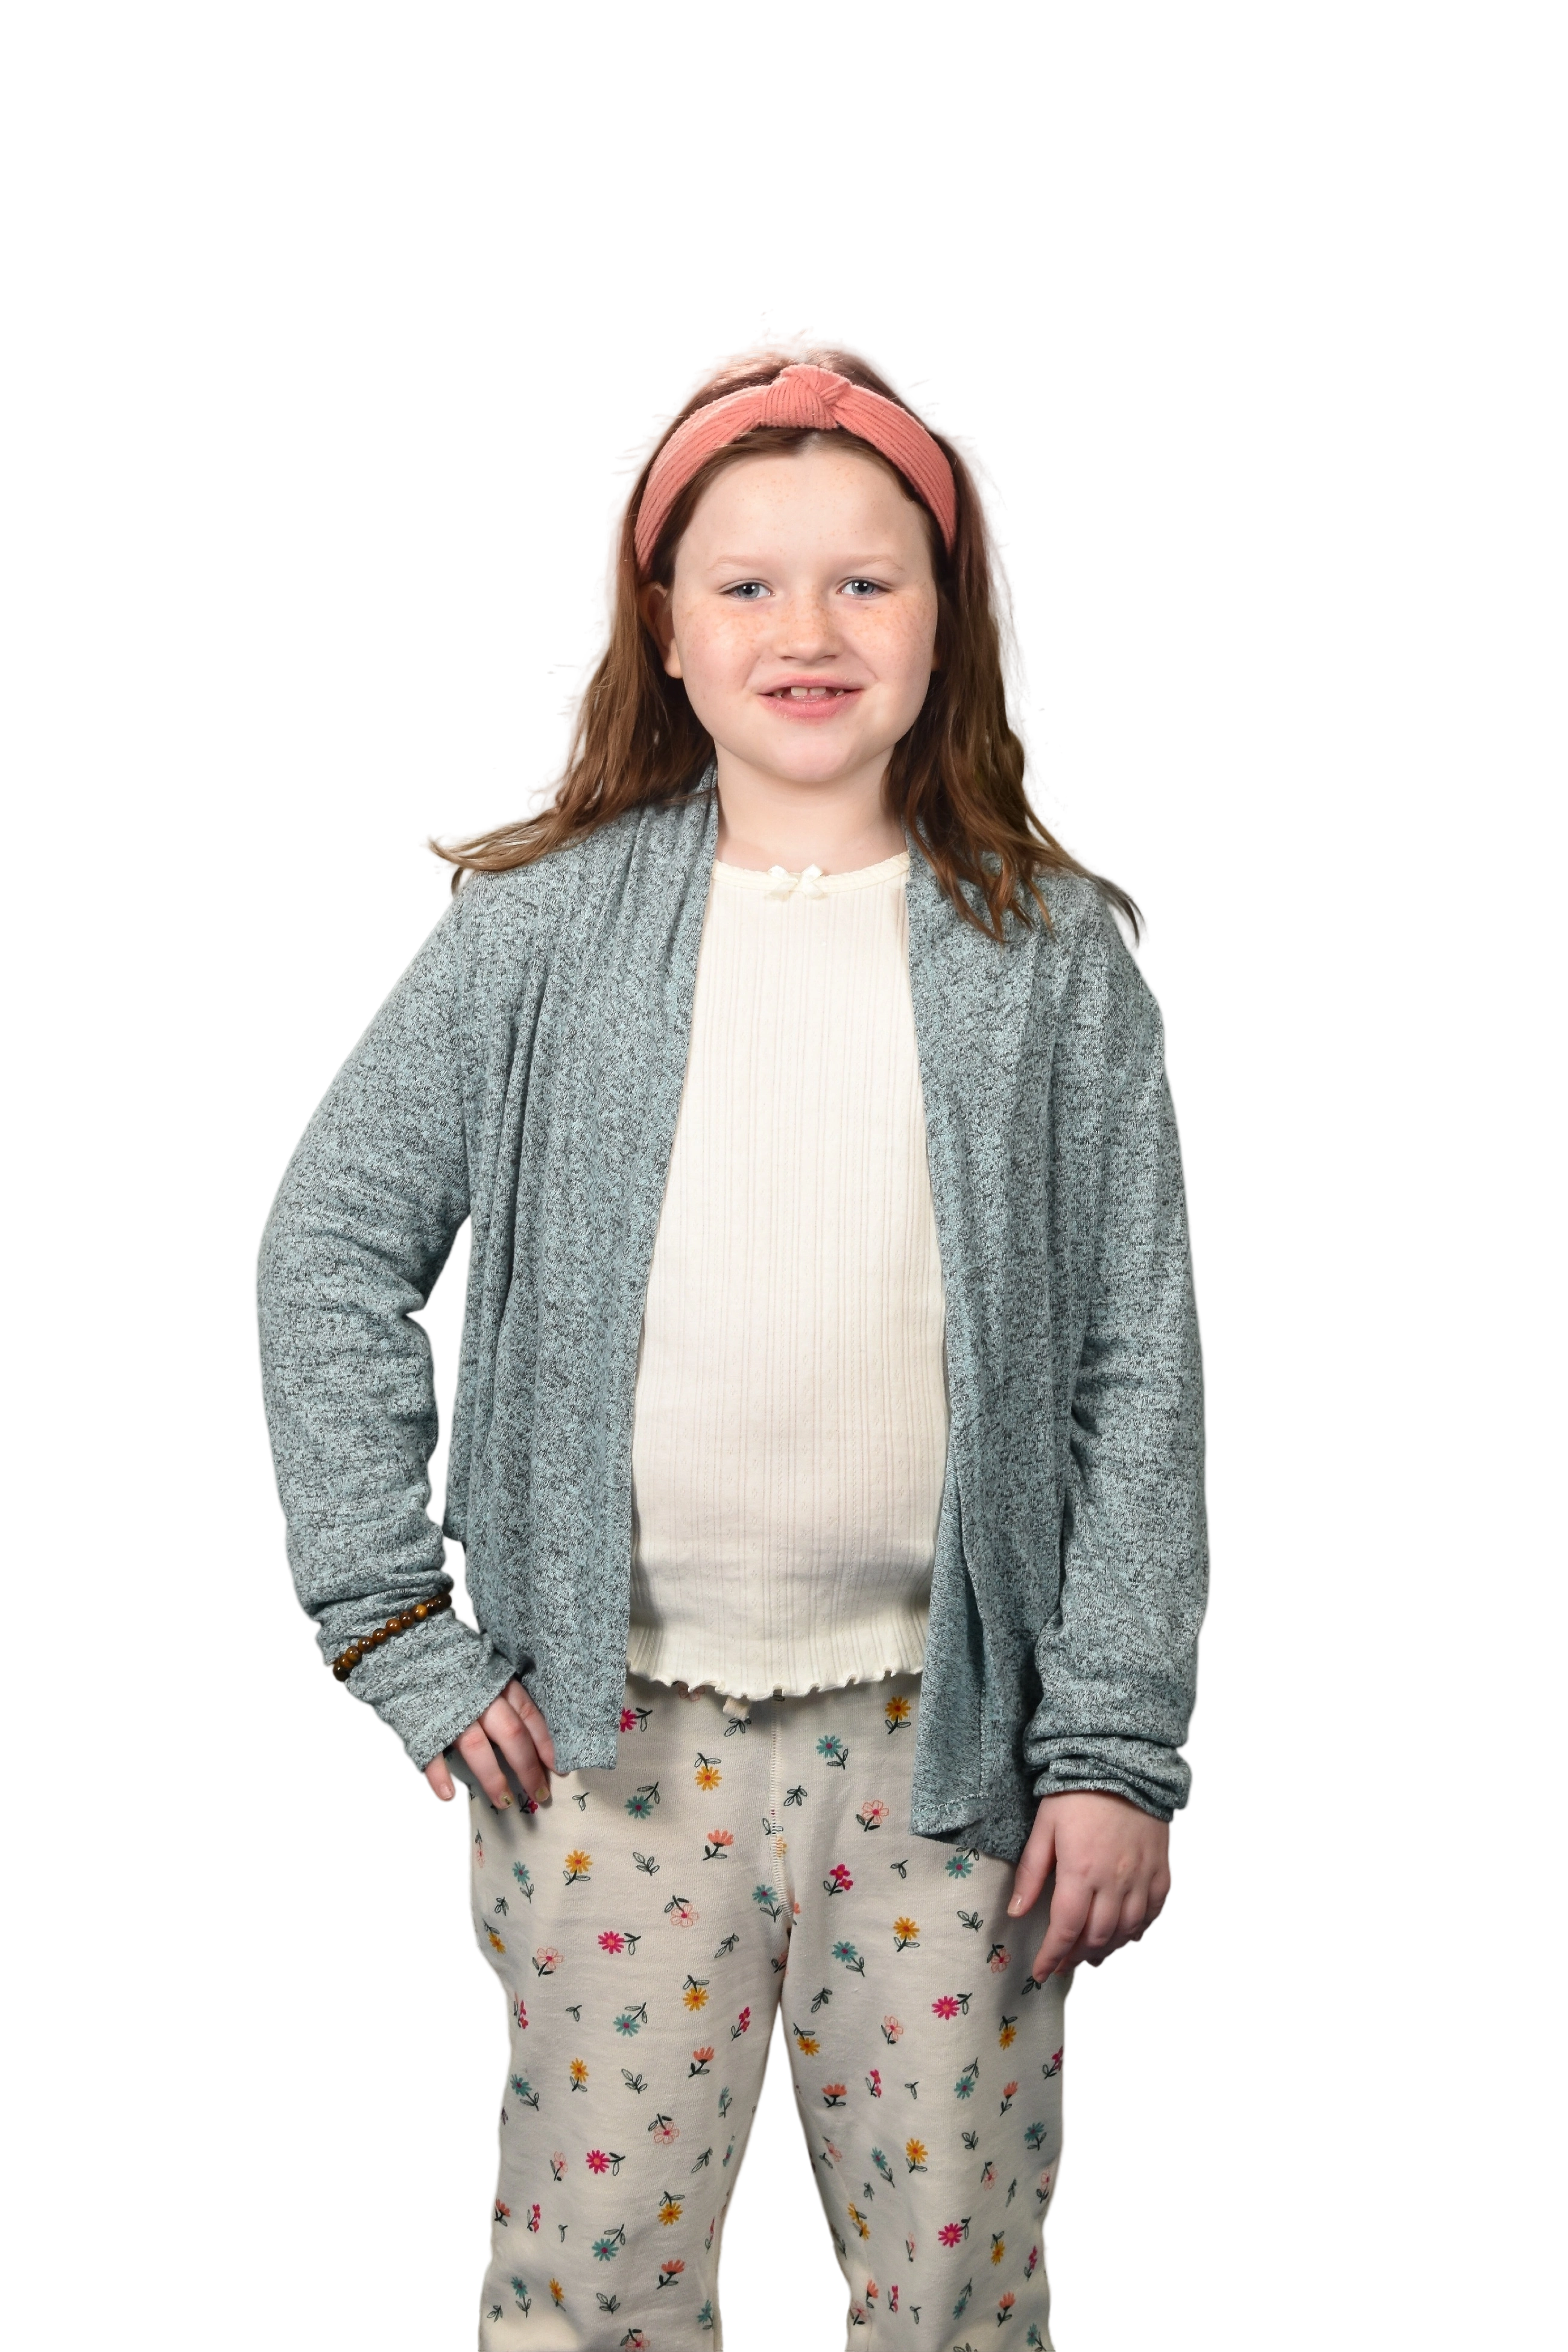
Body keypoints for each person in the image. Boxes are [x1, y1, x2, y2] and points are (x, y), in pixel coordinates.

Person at [253, 327, 1213, 2352]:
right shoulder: (531, 929)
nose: (809, 629)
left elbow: (1139, 1361)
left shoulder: (1057, 955)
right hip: (605, 1751)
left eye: (867, 578)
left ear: (950, 619)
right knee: (592, 2287)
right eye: (748, 582)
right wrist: (397, 1621)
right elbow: (329, 1240)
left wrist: (1117, 1742)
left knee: (957, 2291)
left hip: (956, 1762)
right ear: (666, 630)